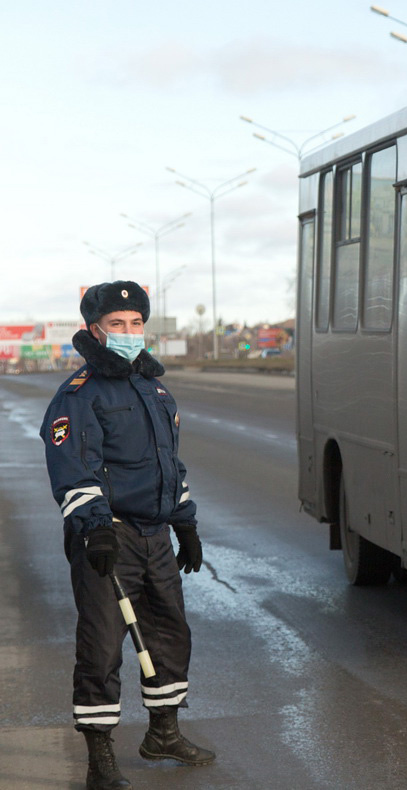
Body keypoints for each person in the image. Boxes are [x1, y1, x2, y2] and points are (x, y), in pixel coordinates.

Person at [39, 281, 215, 790]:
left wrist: (186, 523)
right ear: (94, 329)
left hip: (154, 535)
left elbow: (169, 466)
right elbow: (73, 468)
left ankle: (163, 733)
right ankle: (100, 760)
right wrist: (95, 530)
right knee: (101, 647)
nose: (129, 333)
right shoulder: (79, 395)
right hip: (107, 538)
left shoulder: (154, 390)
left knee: (168, 633)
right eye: (117, 324)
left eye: (136, 323)